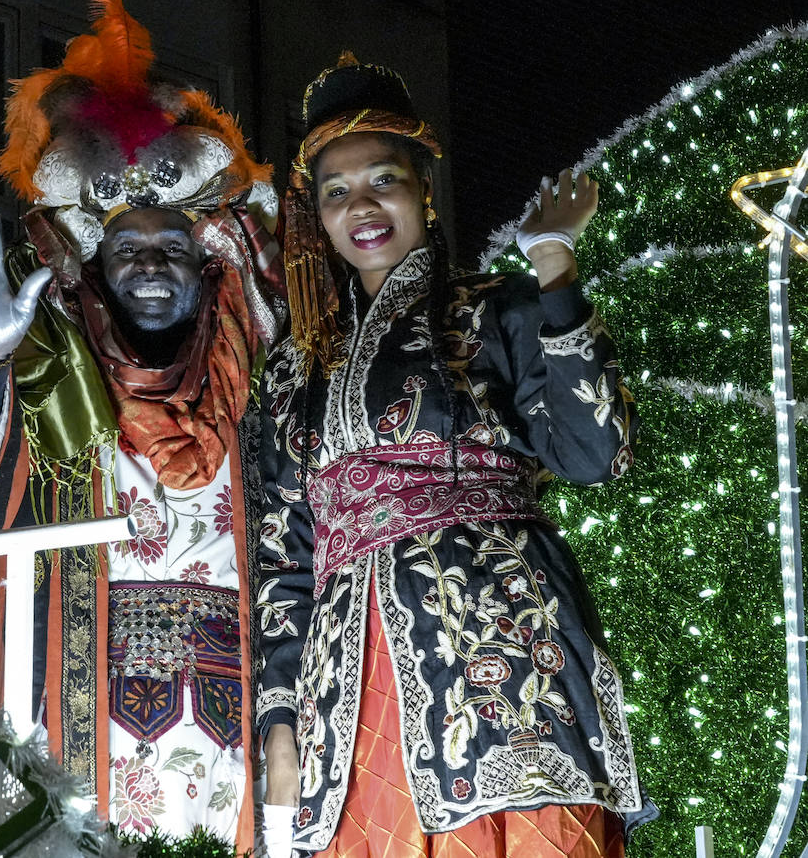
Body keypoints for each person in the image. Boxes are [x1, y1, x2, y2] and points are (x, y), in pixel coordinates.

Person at [0, 0, 284, 848]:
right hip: (79, 721)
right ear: (98, 263)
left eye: (171, 248)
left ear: (205, 263)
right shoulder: (46, 363)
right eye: (128, 248)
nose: (151, 265)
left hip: (243, 749)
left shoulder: (256, 374)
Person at [255, 53, 659, 856]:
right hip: (348, 684)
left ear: (424, 188)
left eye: (383, 179)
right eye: (336, 192)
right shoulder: (291, 370)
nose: (361, 207)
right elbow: (282, 561)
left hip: (502, 656)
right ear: (317, 216)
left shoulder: (494, 311)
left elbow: (597, 453)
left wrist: (555, 267)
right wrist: (279, 728)